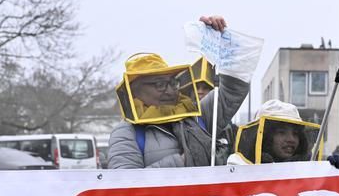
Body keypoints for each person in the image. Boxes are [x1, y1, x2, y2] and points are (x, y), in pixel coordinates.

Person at [108, 16, 251, 169]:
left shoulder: (196, 116)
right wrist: (183, 161)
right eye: (160, 84)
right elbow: (125, 187)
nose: (170, 90)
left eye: (172, 82)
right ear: (135, 91)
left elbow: (234, 89)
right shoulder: (126, 133)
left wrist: (223, 42)